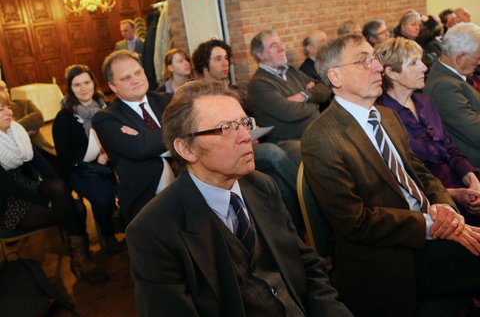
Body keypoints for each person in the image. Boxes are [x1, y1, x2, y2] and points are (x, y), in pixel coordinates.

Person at [126, 79, 353, 317]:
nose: (247, 136)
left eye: (244, 123)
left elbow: (307, 267)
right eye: (226, 128)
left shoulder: (263, 187)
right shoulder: (152, 231)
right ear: (186, 149)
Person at [302, 33, 480, 316]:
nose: (377, 67)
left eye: (374, 59)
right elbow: (355, 222)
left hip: (426, 231)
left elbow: (418, 171)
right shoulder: (322, 137)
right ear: (335, 76)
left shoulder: (385, 115)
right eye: (363, 62)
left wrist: (444, 206)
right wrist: (430, 225)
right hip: (388, 255)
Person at [192, 38, 305, 235]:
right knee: (272, 153)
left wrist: (251, 128)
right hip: (227, 150)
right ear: (204, 65)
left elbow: (250, 118)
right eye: (218, 59)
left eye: (226, 58)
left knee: (288, 160)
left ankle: (298, 234)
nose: (225, 63)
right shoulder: (196, 99)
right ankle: (308, 192)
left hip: (251, 143)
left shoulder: (234, 90)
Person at [0, 91, 107, 283]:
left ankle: (79, 259)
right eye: (1, 109)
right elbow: (8, 186)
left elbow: (43, 165)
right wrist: (46, 202)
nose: (9, 112)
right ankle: (80, 260)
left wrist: (64, 193)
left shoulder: (15, 130)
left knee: (59, 187)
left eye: (7, 107)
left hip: (27, 187)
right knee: (78, 208)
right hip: (8, 203)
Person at [375, 37, 480, 223]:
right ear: (391, 73)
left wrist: (472, 179)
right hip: (430, 201)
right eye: (414, 63)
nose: (424, 67)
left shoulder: (425, 102)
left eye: (421, 61)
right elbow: (400, 179)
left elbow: (451, 149)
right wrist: (453, 194)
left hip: (459, 182)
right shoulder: (382, 116)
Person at [92, 50, 171, 224]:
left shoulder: (169, 101)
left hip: (190, 189)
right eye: (126, 78)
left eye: (138, 72)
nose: (135, 79)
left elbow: (193, 130)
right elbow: (140, 148)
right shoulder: (105, 118)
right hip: (146, 202)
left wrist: (144, 136)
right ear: (113, 86)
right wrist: (175, 131)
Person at [53, 65, 119, 252]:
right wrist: (91, 156)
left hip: (111, 162)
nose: (83, 88)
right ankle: (108, 235)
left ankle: (123, 220)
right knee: (103, 196)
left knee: (134, 183)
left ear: (94, 83)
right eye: (77, 84)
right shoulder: (64, 116)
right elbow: (64, 154)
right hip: (81, 170)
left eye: (86, 82)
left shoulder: (107, 107)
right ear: (70, 89)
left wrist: (107, 153)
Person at [247, 30, 331, 165]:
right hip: (288, 141)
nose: (282, 48)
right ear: (260, 55)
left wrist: (304, 95)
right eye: (274, 46)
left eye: (281, 43)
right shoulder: (258, 83)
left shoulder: (291, 71)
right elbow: (290, 113)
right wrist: (315, 101)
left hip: (315, 132)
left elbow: (325, 88)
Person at [424, 22, 480, 168]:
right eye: (478, 57)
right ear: (459, 58)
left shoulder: (451, 77)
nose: (479, 62)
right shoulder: (444, 87)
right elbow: (477, 133)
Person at [0, 79, 53, 153]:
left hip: (42, 149)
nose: (4, 92)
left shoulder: (24, 103)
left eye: (5, 89)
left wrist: (15, 130)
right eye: (0, 89)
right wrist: (22, 134)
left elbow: (38, 118)